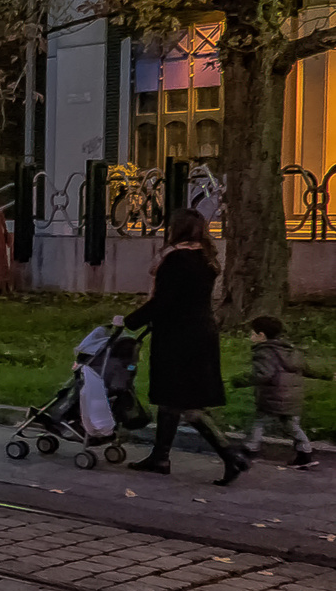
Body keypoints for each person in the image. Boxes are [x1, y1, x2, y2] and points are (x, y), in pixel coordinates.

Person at [122, 208, 246, 485]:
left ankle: (230, 455)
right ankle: (160, 456)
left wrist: (131, 320)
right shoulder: (205, 258)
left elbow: (164, 301)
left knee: (184, 400)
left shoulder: (176, 259)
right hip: (201, 331)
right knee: (174, 398)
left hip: (178, 336)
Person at [241, 316, 320, 470]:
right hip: (292, 397)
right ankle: (305, 453)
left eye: (252, 334)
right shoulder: (291, 350)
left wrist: (238, 380)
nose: (250, 337)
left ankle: (249, 450)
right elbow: (306, 368)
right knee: (292, 425)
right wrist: (327, 374)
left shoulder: (264, 352)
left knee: (259, 422)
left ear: (261, 335)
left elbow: (264, 374)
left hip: (273, 396)